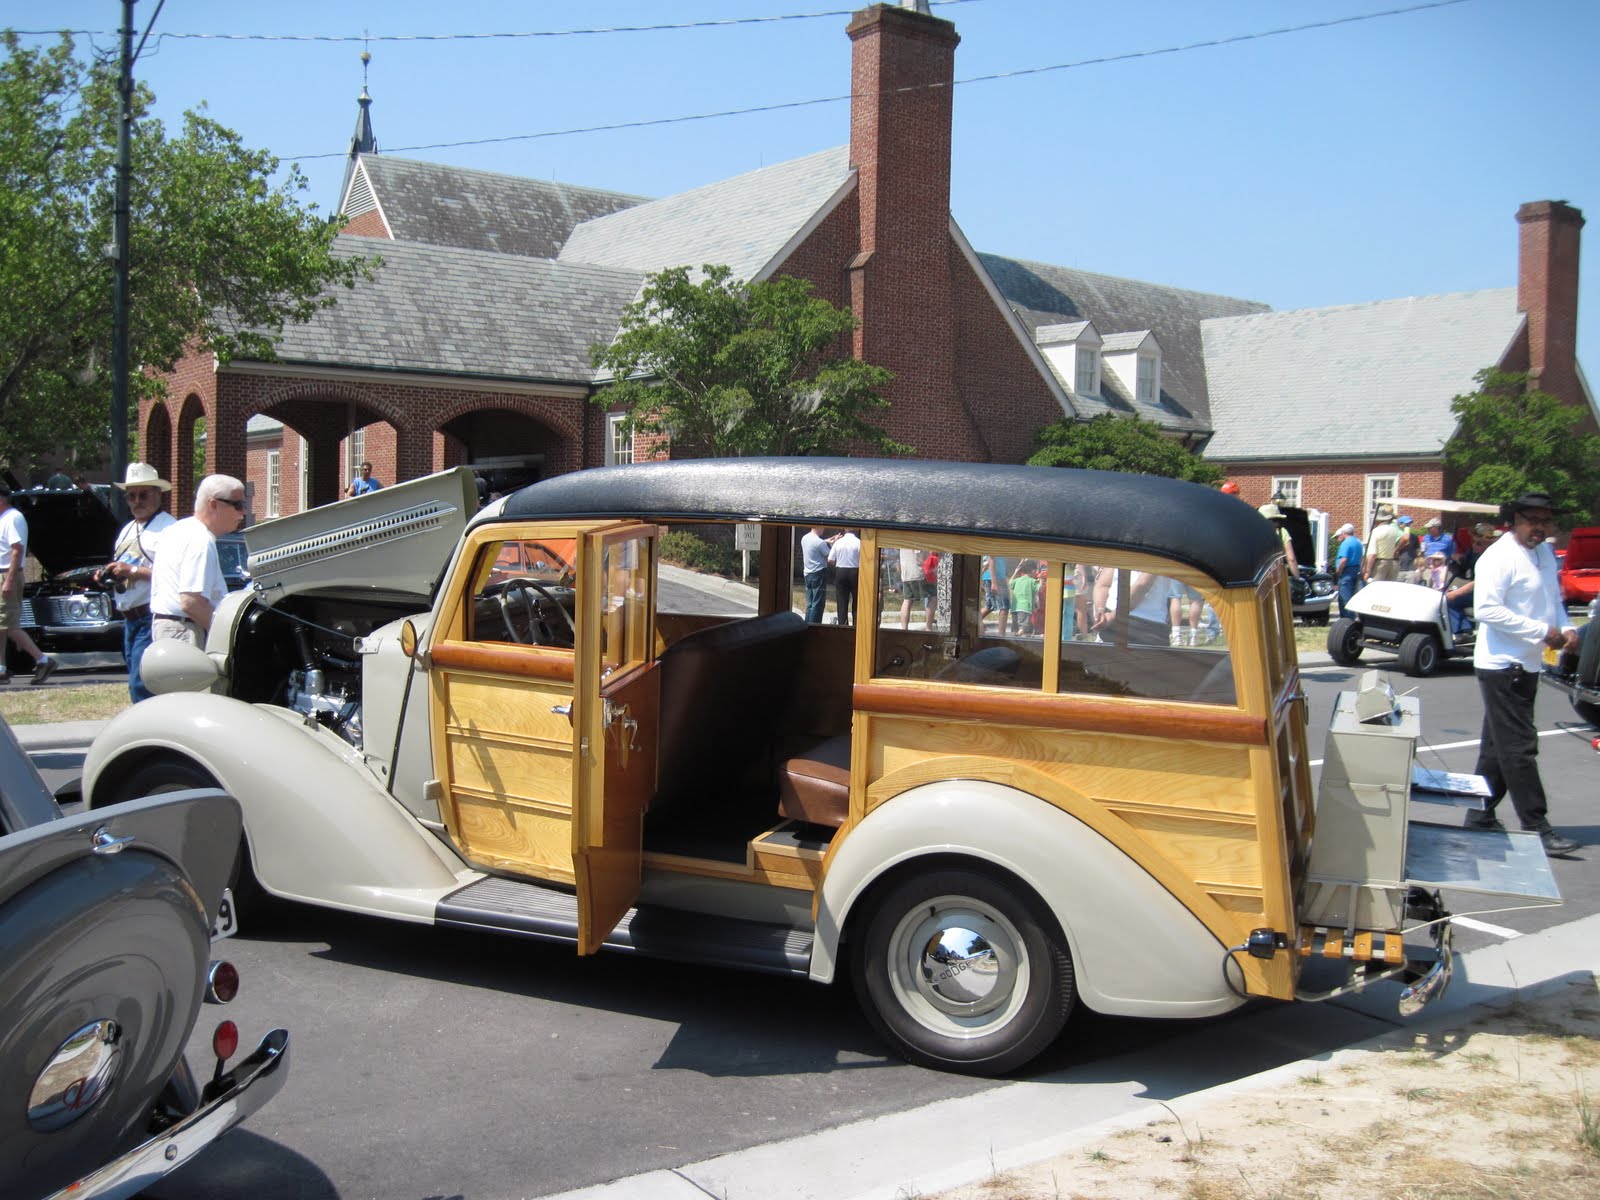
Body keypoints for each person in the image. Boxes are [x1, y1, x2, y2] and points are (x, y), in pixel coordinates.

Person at [1466, 492, 1580, 855]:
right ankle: (1536, 825)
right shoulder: (1498, 558)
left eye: (1546, 521)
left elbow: (1553, 602)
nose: (1540, 528)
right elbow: (1486, 610)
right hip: (1502, 665)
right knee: (1519, 746)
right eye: (1533, 521)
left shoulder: (1544, 554)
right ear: (1515, 521)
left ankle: (1480, 814)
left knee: (1498, 746)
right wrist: (1539, 631)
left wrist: (1567, 628)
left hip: (1527, 662)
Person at [104, 463, 179, 701]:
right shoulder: (127, 529)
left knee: (141, 684)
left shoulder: (169, 528)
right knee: (136, 682)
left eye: (143, 495)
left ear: (158, 495)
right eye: (132, 496)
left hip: (150, 616)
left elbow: (175, 575)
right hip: (129, 619)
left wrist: (133, 570)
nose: (137, 501)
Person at [150, 475, 246, 647]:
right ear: (213, 504)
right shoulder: (200, 540)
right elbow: (191, 603)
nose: (243, 512)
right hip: (186, 631)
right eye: (238, 505)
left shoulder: (178, 529)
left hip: (174, 629)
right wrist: (229, 638)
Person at [0, 483, 57, 684]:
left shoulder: (13, 518)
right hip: (4, 573)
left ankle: (42, 660)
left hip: (8, 574)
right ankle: (1, 669)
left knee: (9, 625)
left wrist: (8, 580)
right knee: (2, 625)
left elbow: (17, 550)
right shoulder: (3, 518)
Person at [1256, 503, 1301, 580]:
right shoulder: (1282, 532)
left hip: (1258, 578)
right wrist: (1297, 578)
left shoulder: (1254, 533)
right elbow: (1291, 559)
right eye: (1276, 520)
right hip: (1277, 577)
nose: (1278, 523)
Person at [828, 528, 861, 626]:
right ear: (856, 530)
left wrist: (837, 563)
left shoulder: (838, 543)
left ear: (845, 530)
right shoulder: (859, 542)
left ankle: (843, 625)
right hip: (855, 571)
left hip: (841, 570)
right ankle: (856, 624)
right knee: (857, 600)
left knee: (841, 600)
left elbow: (830, 560)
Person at [800, 525, 830, 624]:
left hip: (807, 573)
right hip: (818, 573)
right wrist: (832, 544)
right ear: (818, 527)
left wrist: (827, 541)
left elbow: (816, 544)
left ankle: (807, 624)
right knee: (817, 603)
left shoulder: (805, 538)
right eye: (823, 527)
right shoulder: (820, 542)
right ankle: (814, 626)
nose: (824, 529)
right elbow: (829, 557)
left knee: (810, 604)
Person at [1332, 522, 1363, 616]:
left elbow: (1344, 559)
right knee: (1353, 596)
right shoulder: (1358, 542)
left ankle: (1347, 619)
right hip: (1356, 569)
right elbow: (1362, 558)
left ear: (1344, 532)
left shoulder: (1346, 543)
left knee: (1345, 597)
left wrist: (1338, 571)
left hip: (1347, 572)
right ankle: (1352, 617)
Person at [1364, 504, 1401, 582]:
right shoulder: (1393, 530)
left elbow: (1372, 554)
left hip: (1379, 563)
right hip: (1391, 562)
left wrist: (1368, 571)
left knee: (1375, 588)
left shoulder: (1376, 531)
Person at [898, 547, 933, 630]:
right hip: (919, 572)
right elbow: (919, 553)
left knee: (907, 600)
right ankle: (929, 628)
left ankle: (904, 629)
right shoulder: (915, 535)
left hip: (906, 573)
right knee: (932, 597)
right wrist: (928, 562)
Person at [1008, 559, 1039, 634]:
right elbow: (1039, 589)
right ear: (1033, 571)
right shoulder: (1032, 581)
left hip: (1014, 608)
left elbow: (1009, 583)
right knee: (1023, 627)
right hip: (1024, 608)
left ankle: (1014, 639)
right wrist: (1041, 580)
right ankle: (1018, 636)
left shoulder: (1017, 580)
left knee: (1015, 627)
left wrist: (1015, 572)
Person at [1394, 515, 1419, 580]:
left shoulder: (1414, 537)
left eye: (1409, 524)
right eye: (1406, 524)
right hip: (1399, 567)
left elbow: (1417, 550)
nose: (1408, 526)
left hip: (1411, 567)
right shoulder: (1395, 535)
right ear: (1400, 525)